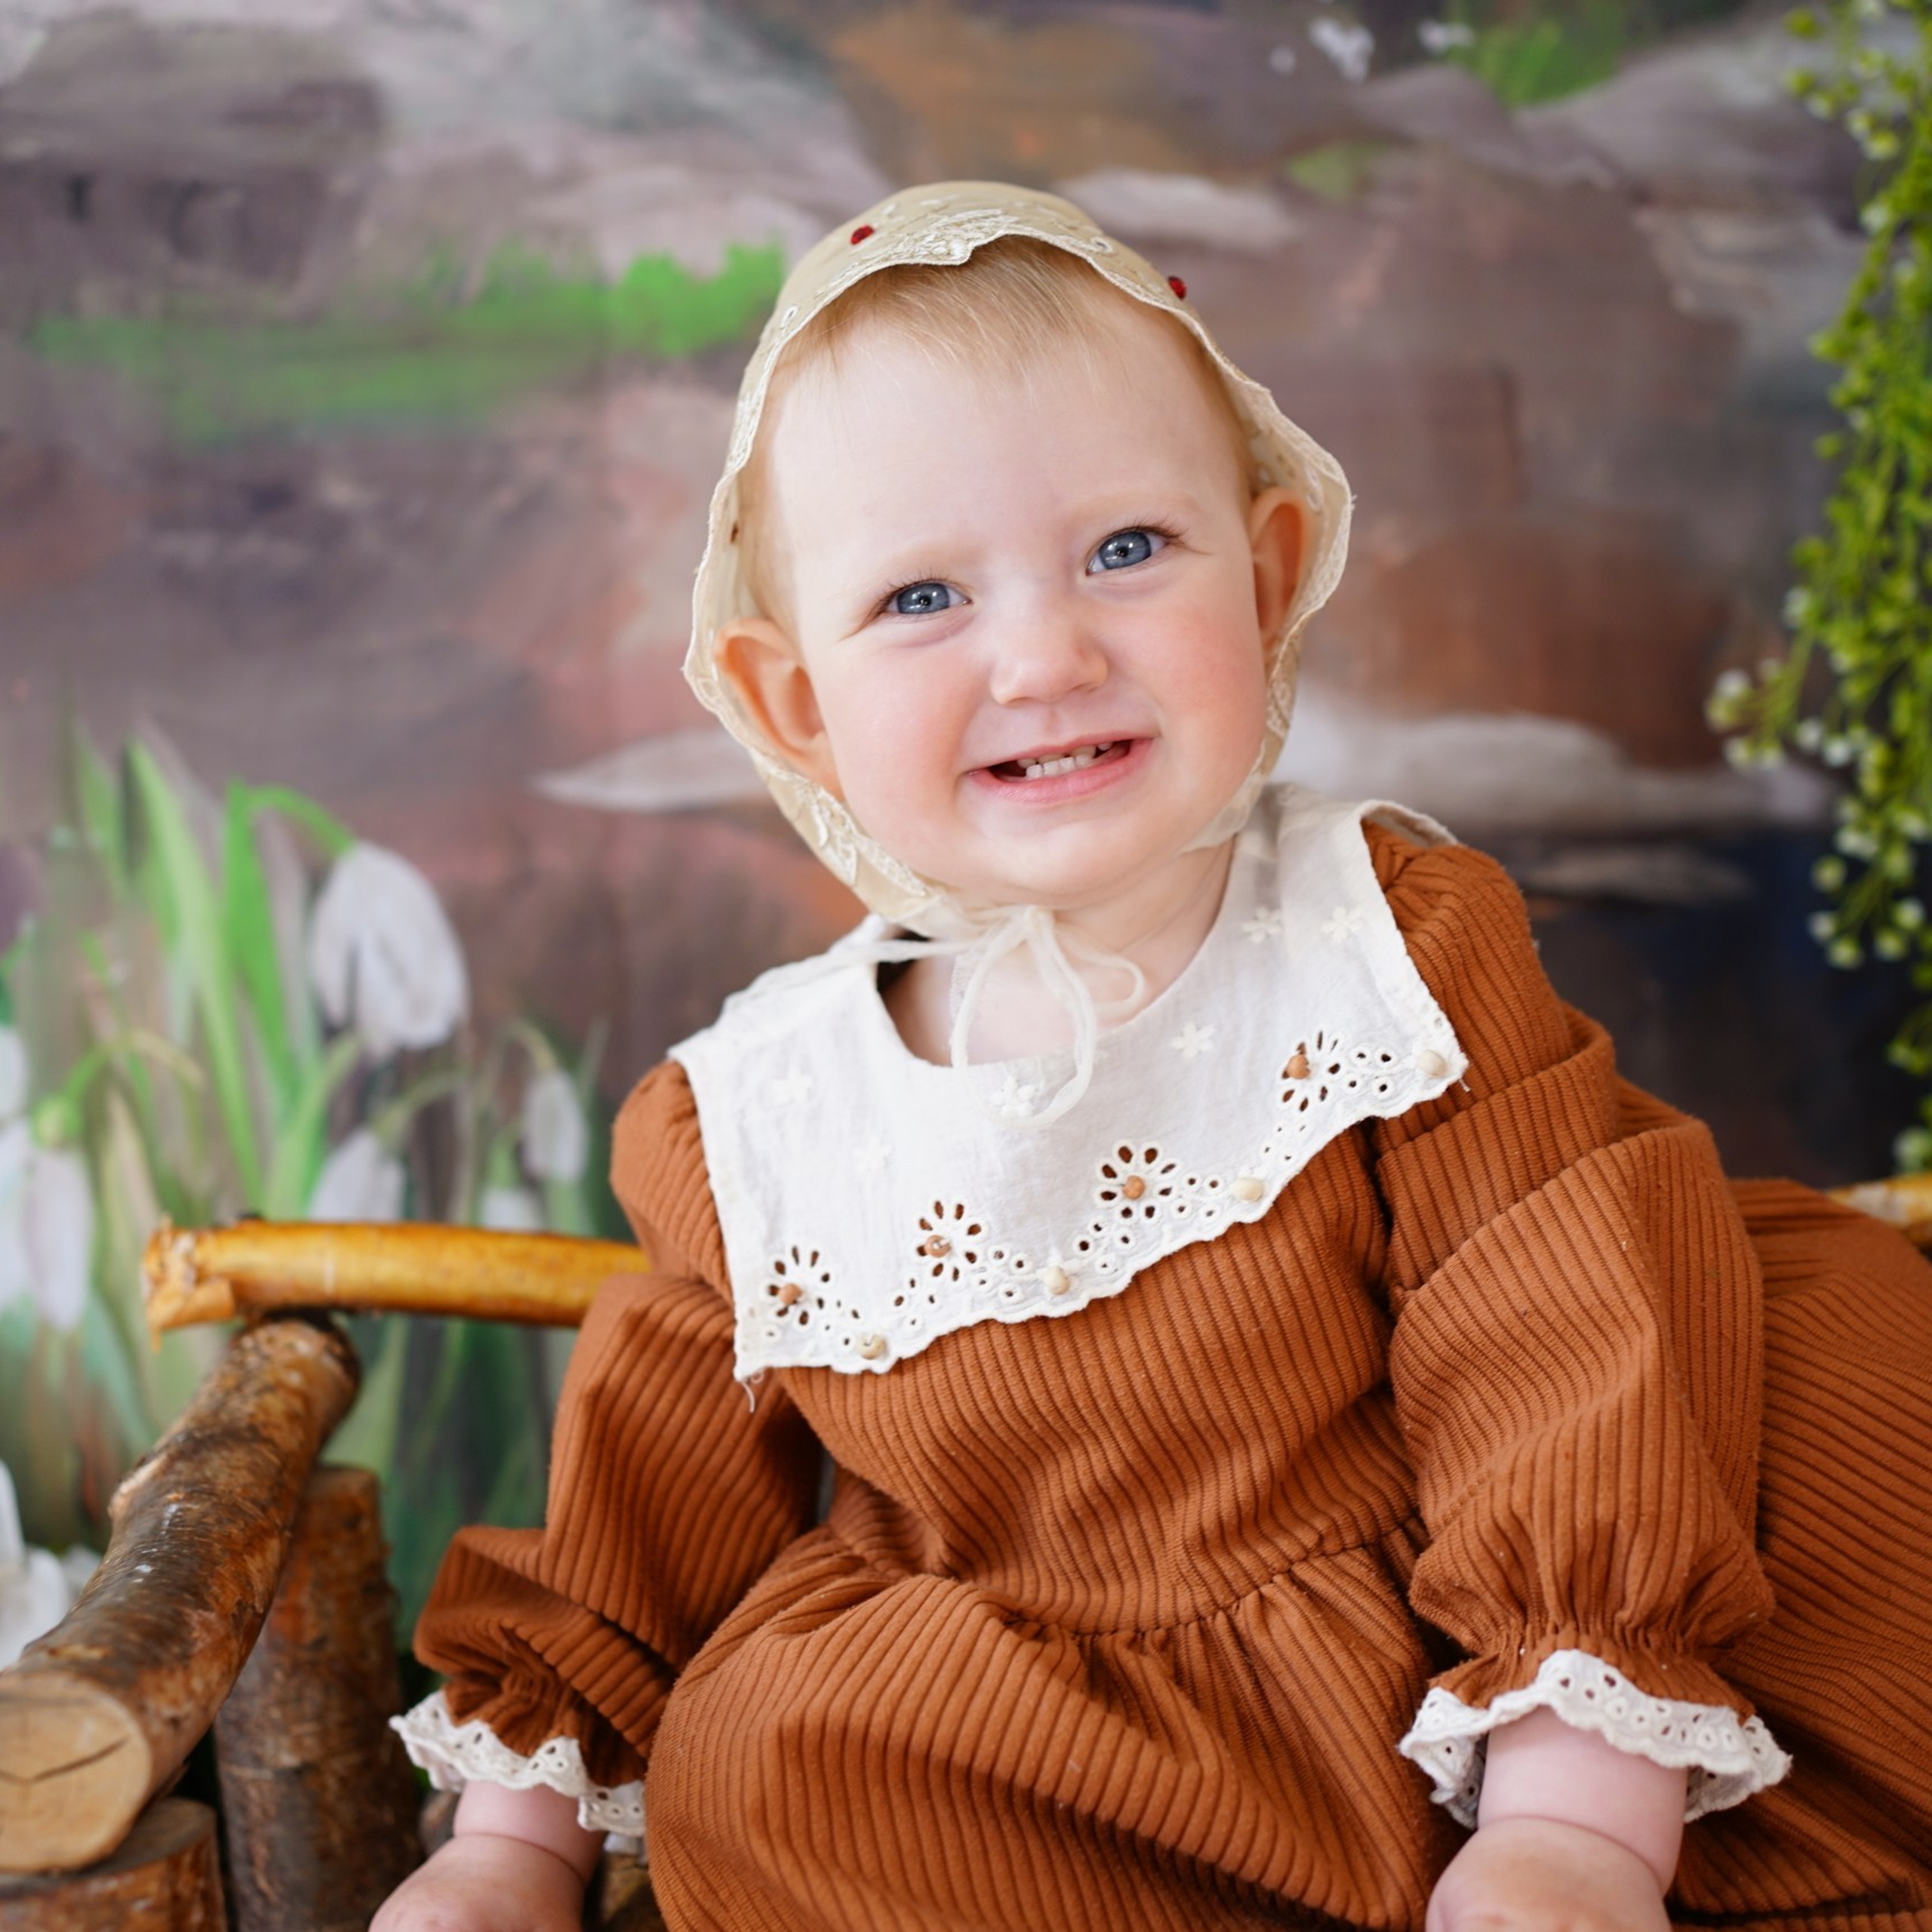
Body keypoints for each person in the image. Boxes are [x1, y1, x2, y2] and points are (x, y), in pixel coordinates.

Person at [372, 184, 1932, 1932]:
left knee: (1813, 1367)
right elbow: (634, 1519)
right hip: (1048, 1745)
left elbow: (1556, 1324)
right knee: (770, 1759)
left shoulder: (1378, 942)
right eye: (921, 596)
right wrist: (507, 1852)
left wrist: (1573, 1821)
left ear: (1260, 581)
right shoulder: (754, 1116)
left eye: (1125, 549)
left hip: (1451, 1656)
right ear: (795, 700)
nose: (1045, 653)